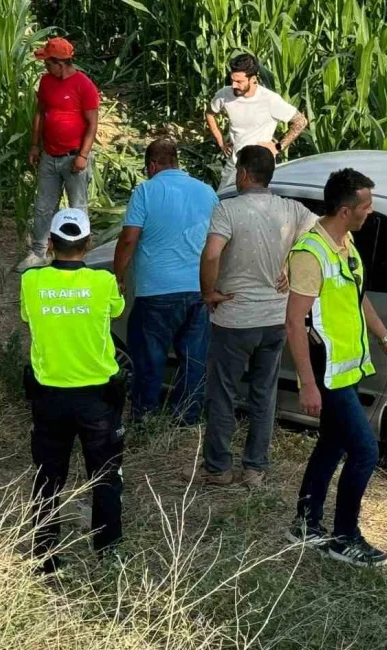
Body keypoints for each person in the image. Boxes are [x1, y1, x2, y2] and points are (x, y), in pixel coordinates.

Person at [283, 168, 387, 568]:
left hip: (347, 368)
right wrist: (306, 383)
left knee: (333, 444)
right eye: (365, 206)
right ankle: (344, 537)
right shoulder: (310, 253)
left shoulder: (346, 243)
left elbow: (358, 297)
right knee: (366, 451)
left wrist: (385, 338)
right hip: (325, 370)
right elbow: (294, 322)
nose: (370, 212)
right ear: (343, 210)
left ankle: (304, 523)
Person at [196, 145, 316, 487]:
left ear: (245, 174)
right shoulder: (292, 209)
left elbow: (211, 255)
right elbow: (323, 239)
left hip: (233, 318)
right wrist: (292, 267)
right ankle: (255, 468)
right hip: (276, 319)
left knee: (222, 394)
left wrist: (208, 293)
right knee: (264, 394)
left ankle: (219, 468)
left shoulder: (227, 210)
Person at [21, 208, 127, 573]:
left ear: (50, 244)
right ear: (88, 243)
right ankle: (108, 548)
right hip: (97, 397)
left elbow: (27, 317)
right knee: (105, 474)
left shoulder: (31, 282)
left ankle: (45, 553)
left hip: (49, 395)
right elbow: (115, 311)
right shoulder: (104, 282)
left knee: (48, 476)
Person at [113, 139, 219, 424]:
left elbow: (128, 238)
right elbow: (216, 239)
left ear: (151, 166)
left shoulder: (146, 191)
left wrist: (118, 274)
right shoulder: (207, 192)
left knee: (149, 356)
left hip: (157, 290)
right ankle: (187, 417)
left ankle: (144, 416)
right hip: (198, 288)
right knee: (194, 359)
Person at [17, 36, 101, 272]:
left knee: (77, 207)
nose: (45, 66)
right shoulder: (46, 82)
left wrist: (83, 155)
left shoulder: (84, 86)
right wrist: (35, 145)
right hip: (49, 156)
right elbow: (39, 113)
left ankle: (77, 255)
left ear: (59, 62)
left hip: (74, 156)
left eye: (48, 62)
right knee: (43, 206)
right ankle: (38, 252)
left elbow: (92, 124)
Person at [206, 53, 308, 192]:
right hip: (234, 164)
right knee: (221, 202)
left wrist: (278, 146)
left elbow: (300, 121)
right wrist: (221, 142)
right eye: (232, 80)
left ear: (253, 79)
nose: (234, 85)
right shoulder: (225, 94)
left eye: (239, 82)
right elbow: (210, 113)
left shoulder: (270, 100)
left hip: (260, 170)